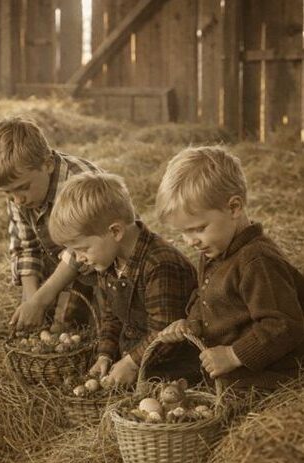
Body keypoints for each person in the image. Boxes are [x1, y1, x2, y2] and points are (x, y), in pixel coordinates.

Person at [156, 146, 304, 391]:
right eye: (183, 232)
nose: (190, 241)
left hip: (269, 373)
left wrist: (234, 355)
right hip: (222, 361)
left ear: (234, 208)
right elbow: (204, 296)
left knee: (220, 394)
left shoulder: (257, 262)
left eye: (198, 228)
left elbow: (284, 325)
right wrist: (190, 323)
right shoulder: (216, 249)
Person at [47, 173, 200, 387]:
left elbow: (164, 333)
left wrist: (130, 362)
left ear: (115, 231)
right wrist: (106, 354)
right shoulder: (109, 261)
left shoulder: (160, 265)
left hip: (173, 369)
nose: (78, 258)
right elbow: (112, 316)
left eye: (82, 249)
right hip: (136, 361)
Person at [0, 116, 102, 331]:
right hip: (59, 260)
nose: (18, 199)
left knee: (72, 327)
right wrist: (31, 300)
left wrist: (41, 301)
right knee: (39, 320)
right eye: (7, 193)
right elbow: (26, 247)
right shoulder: (20, 192)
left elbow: (81, 252)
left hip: (99, 264)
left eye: (23, 188)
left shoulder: (78, 182)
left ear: (47, 164)